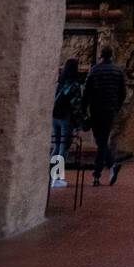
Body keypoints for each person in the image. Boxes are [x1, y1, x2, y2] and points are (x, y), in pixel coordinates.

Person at [82, 46, 127, 187]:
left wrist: (84, 111)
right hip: (109, 110)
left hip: (96, 110)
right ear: (111, 55)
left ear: (101, 55)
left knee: (100, 142)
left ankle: (97, 175)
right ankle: (111, 166)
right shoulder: (118, 71)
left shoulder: (94, 70)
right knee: (102, 141)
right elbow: (123, 93)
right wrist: (116, 107)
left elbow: (86, 93)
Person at [50, 58, 83, 187]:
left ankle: (52, 175)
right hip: (65, 117)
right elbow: (76, 106)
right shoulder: (74, 85)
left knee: (56, 145)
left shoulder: (59, 81)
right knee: (63, 147)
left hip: (55, 116)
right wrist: (79, 123)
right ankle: (57, 177)